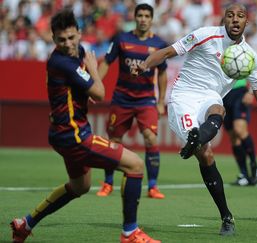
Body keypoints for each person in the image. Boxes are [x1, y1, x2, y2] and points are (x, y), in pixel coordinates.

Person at [137, 3, 257, 236]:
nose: (235, 19)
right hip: (183, 97)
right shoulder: (205, 35)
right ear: (224, 19)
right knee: (206, 154)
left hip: (210, 98)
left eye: (240, 16)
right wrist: (144, 64)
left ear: (247, 22)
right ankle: (199, 145)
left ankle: (226, 216)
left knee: (218, 109)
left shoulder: (250, 56)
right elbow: (166, 52)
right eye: (230, 15)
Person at [10, 9, 160, 243]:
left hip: (62, 133)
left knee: (80, 186)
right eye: (61, 40)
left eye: (71, 37)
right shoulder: (62, 62)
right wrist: (92, 69)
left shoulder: (74, 53)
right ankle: (130, 233)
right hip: (75, 136)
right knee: (135, 165)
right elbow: (99, 94)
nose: (68, 44)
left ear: (79, 33)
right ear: (53, 39)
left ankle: (25, 224)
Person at [96, 3, 167, 199]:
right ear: (135, 18)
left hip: (146, 100)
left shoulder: (159, 45)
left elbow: (162, 74)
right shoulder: (122, 39)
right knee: (114, 141)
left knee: (150, 138)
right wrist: (95, 85)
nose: (143, 19)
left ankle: (153, 187)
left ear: (152, 19)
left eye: (147, 16)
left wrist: (161, 101)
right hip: (122, 98)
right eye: (140, 15)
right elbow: (107, 63)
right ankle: (108, 183)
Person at [222, 79, 257, 186]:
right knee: (233, 137)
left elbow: (255, 71)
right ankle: (244, 174)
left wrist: (250, 92)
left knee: (239, 130)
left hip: (239, 92)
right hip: (223, 93)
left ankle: (254, 165)